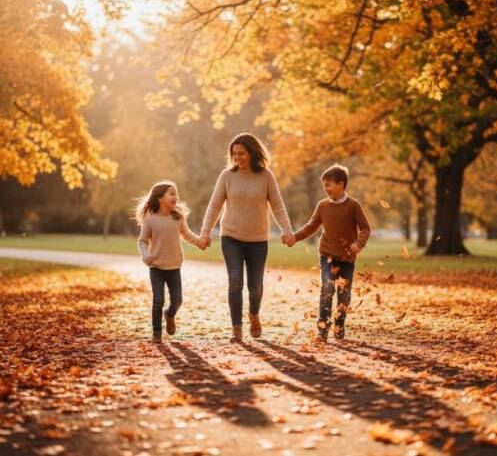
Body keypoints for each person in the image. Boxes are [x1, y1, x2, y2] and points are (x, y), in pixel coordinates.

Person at [198, 133, 295, 343]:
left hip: (258, 240)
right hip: (231, 237)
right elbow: (214, 206)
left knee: (256, 287)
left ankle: (253, 314)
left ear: (252, 153)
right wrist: (205, 233)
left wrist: (286, 230)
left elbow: (278, 205)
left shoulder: (266, 176)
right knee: (235, 282)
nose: (237, 158)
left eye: (241, 153)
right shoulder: (227, 176)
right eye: (234, 154)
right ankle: (236, 329)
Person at [292, 164, 371, 341]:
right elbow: (312, 226)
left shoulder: (353, 206)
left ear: (341, 184)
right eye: (323, 186)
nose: (326, 189)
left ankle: (339, 323)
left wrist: (358, 243)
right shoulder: (322, 206)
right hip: (327, 255)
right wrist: (295, 237)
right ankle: (322, 327)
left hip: (347, 258)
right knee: (327, 288)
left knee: (344, 294)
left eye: (328, 185)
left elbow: (365, 228)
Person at [136, 181, 199, 343]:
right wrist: (145, 256)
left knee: (177, 300)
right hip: (156, 266)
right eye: (171, 193)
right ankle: (157, 333)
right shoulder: (150, 219)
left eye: (176, 193)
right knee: (158, 300)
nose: (175, 197)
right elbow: (142, 241)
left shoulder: (177, 217)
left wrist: (199, 242)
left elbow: (187, 235)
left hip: (174, 266)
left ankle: (169, 315)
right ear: (160, 198)